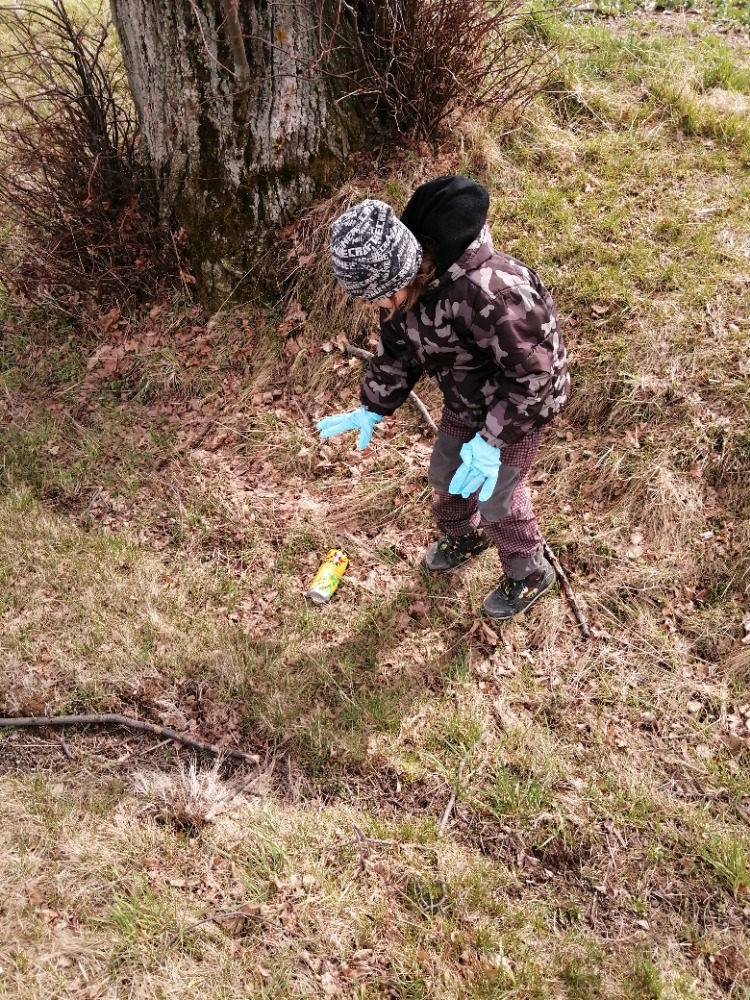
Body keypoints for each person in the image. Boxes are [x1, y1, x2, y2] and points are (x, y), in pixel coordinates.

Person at [317, 175, 570, 621]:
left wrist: (491, 441)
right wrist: (372, 405)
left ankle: (529, 569)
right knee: (446, 472)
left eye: (377, 296)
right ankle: (465, 535)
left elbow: (534, 373)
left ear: (402, 273)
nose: (374, 306)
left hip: (520, 407)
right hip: (466, 398)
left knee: (496, 497)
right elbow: (398, 353)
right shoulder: (401, 298)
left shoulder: (491, 291)